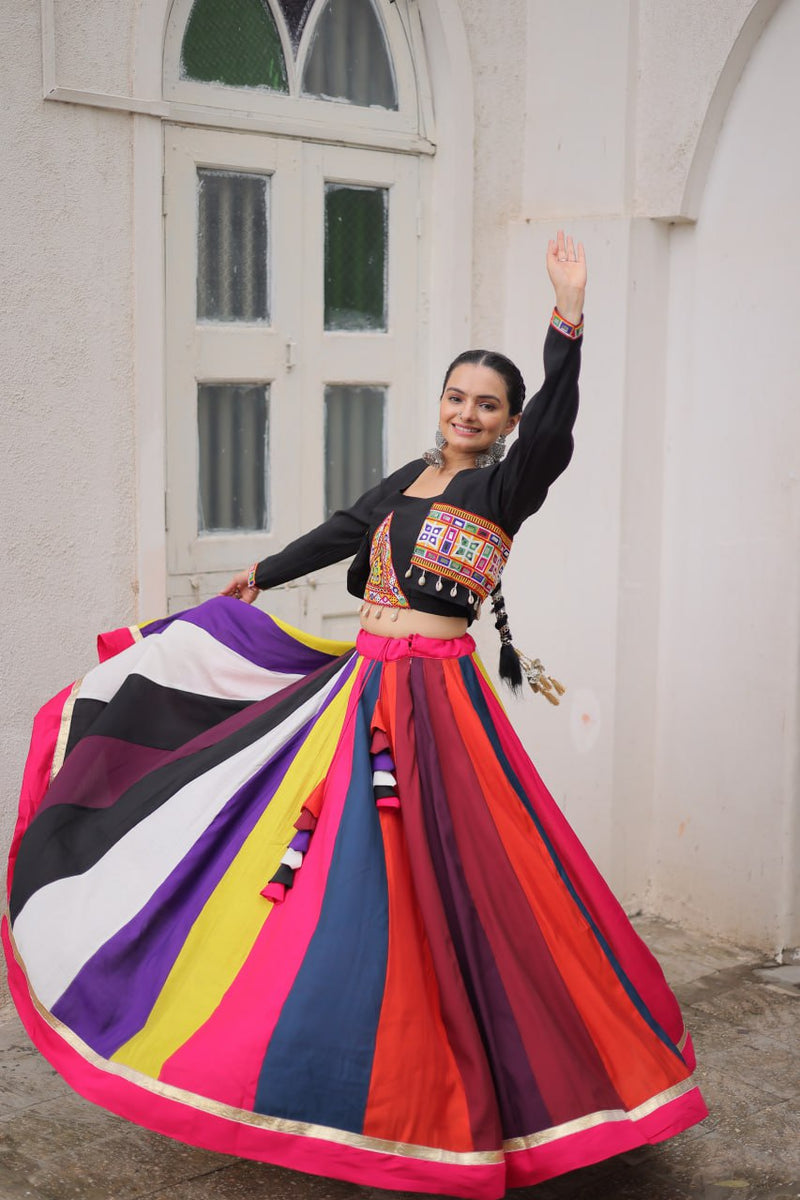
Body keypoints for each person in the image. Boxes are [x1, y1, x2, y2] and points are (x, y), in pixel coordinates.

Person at [4, 232, 706, 1200]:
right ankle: (325, 1045)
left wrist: (568, 318)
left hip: (436, 700)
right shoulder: (407, 480)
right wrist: (263, 572)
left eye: (486, 404)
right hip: (365, 684)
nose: (466, 413)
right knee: (335, 865)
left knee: (451, 872)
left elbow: (556, 427)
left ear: (506, 422)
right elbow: (343, 530)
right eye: (456, 397)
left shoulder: (505, 485)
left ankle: (459, 1073)